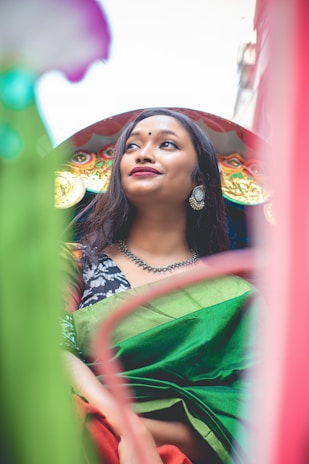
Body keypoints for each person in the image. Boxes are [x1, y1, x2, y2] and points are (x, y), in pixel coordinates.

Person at [61, 108, 258, 464]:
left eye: (166, 144)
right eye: (132, 147)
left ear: (199, 181)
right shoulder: (73, 261)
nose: (144, 153)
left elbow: (249, 420)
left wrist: (140, 435)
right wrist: (126, 426)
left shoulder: (238, 296)